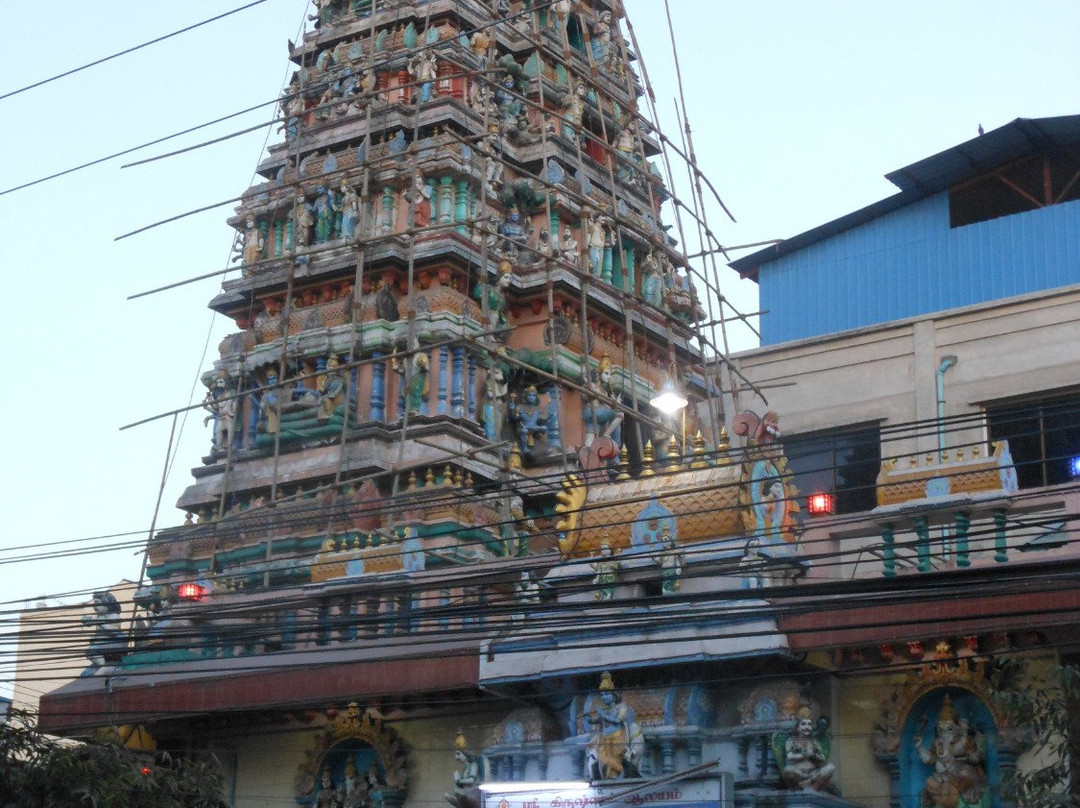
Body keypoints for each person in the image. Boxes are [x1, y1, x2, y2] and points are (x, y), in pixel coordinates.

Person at [914, 696, 987, 808]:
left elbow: (978, 757)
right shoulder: (937, 743)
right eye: (941, 728)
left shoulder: (964, 740)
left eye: (949, 728)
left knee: (960, 777)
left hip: (961, 776)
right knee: (929, 781)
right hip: (942, 777)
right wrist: (919, 747)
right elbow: (930, 760)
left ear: (956, 728)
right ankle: (943, 801)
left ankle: (942, 803)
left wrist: (970, 757)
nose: (945, 732)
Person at [586, 671, 643, 779]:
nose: (603, 697)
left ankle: (623, 772)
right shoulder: (605, 710)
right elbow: (598, 720)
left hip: (618, 737)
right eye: (602, 695)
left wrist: (603, 715)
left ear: (613, 695)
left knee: (616, 759)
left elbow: (619, 721)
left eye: (606, 694)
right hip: (604, 738)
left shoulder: (621, 707)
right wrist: (590, 720)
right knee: (604, 758)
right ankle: (610, 777)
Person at [780, 710, 837, 792]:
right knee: (787, 770)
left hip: (813, 774)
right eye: (803, 724)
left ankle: (812, 789)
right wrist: (804, 755)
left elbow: (823, 757)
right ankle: (798, 789)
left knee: (831, 768)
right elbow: (790, 756)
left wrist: (813, 756)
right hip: (798, 772)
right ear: (797, 728)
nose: (806, 727)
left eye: (809, 724)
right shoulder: (791, 741)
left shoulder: (814, 742)